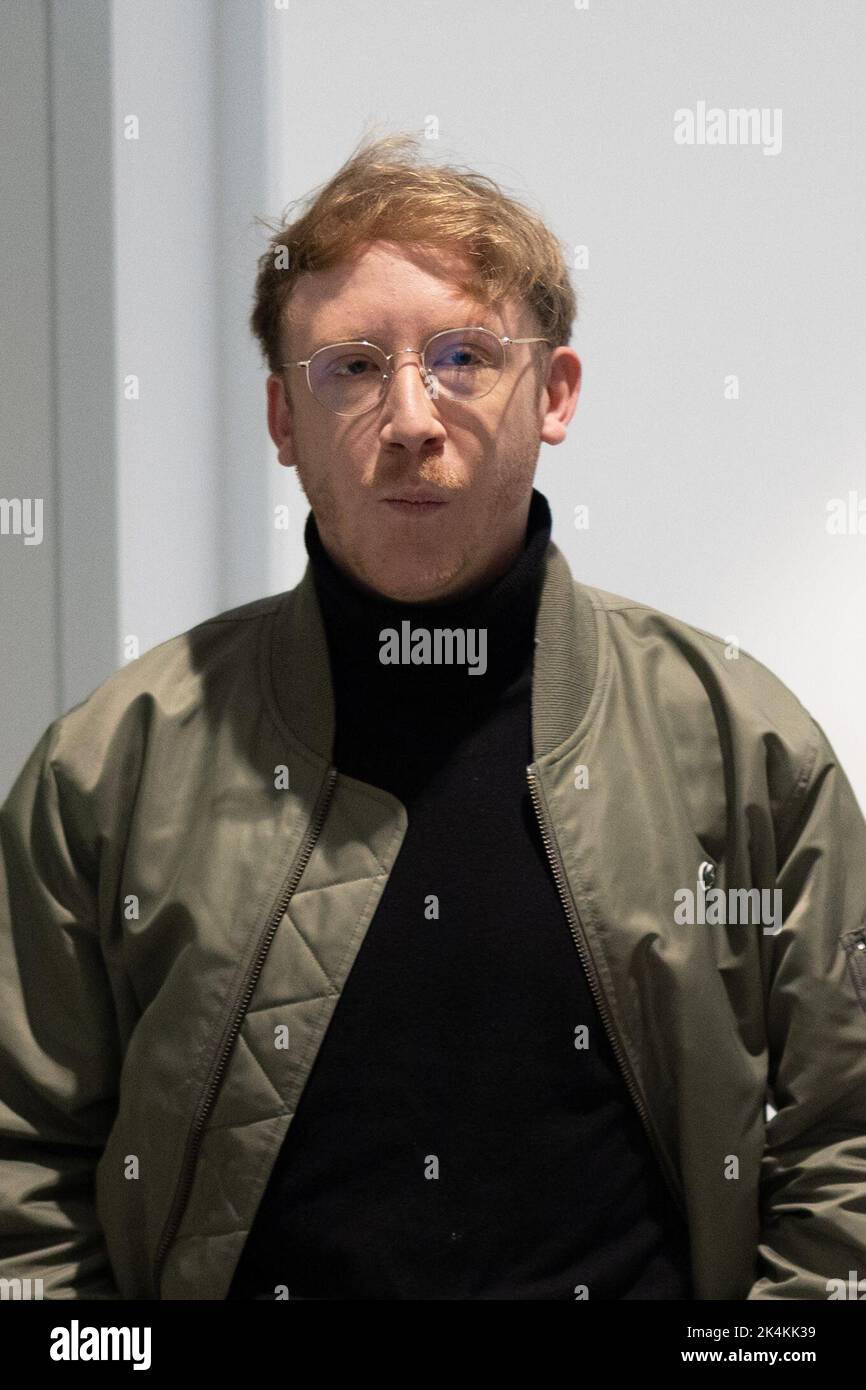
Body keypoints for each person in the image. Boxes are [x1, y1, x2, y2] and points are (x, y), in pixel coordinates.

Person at [1, 133, 865, 1302]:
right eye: (351, 368)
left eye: (463, 356)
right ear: (280, 419)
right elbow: (27, 1175)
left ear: (552, 394)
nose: (410, 417)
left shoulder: (741, 745)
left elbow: (843, 1151)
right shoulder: (113, 763)